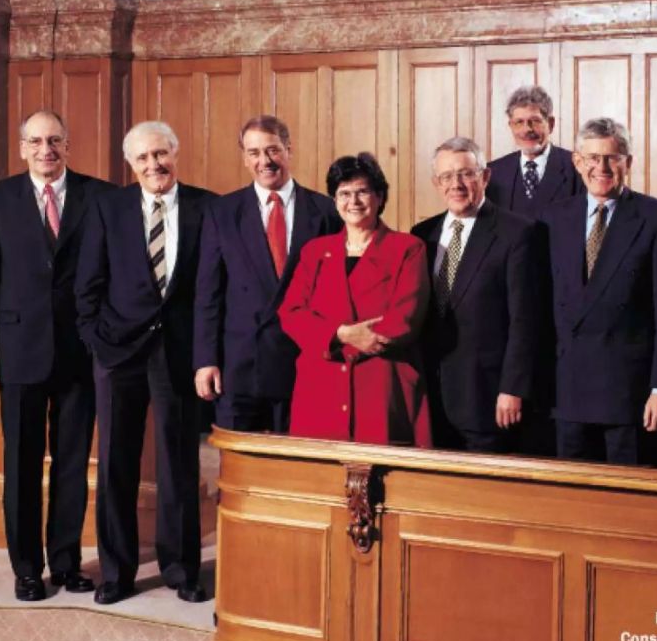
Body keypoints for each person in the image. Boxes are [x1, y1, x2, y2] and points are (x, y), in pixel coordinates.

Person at [0, 109, 114, 601]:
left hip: (80, 352)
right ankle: (27, 568)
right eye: (36, 141)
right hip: (18, 349)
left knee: (73, 463)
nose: (46, 150)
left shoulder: (100, 197)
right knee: (23, 465)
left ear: (67, 145)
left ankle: (68, 562)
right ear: (22, 146)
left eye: (54, 141)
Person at [75, 121, 214, 605]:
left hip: (178, 353)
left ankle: (181, 569)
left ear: (176, 153)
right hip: (117, 353)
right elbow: (86, 283)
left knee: (179, 463)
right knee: (116, 464)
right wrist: (96, 340)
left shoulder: (206, 206)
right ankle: (117, 572)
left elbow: (211, 288)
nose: (154, 165)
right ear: (130, 165)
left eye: (161, 154)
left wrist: (205, 353)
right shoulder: (107, 208)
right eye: (143, 158)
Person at [540, 117, 657, 465]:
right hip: (567, 388)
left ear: (628, 163)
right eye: (591, 158)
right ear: (577, 162)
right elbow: (541, 307)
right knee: (570, 499)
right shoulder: (554, 217)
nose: (601, 167)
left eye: (612, 157)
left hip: (628, 392)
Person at [193, 116, 342, 432]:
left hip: (304, 360)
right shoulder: (222, 212)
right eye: (254, 152)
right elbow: (208, 293)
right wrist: (206, 359)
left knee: (298, 469)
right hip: (240, 364)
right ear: (245, 158)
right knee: (239, 472)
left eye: (272, 150)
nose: (265, 161)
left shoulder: (325, 211)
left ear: (288, 149)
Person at [279, 153, 431, 446]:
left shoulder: (407, 248)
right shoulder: (314, 251)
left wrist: (344, 340)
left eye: (362, 191)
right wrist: (341, 334)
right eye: (344, 194)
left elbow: (406, 317)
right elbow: (292, 313)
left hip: (381, 383)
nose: (354, 201)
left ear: (380, 196)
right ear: (334, 201)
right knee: (319, 481)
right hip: (322, 385)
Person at [411, 137, 539, 453]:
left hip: (487, 396)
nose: (456, 184)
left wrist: (512, 388)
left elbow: (525, 322)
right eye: (446, 176)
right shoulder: (421, 235)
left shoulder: (516, 233)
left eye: (466, 174)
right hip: (430, 394)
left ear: (484, 177)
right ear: (436, 183)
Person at [485, 85, 581, 219]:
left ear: (551, 124)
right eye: (519, 122)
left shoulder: (578, 168)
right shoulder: (493, 172)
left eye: (535, 121)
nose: (527, 129)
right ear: (511, 126)